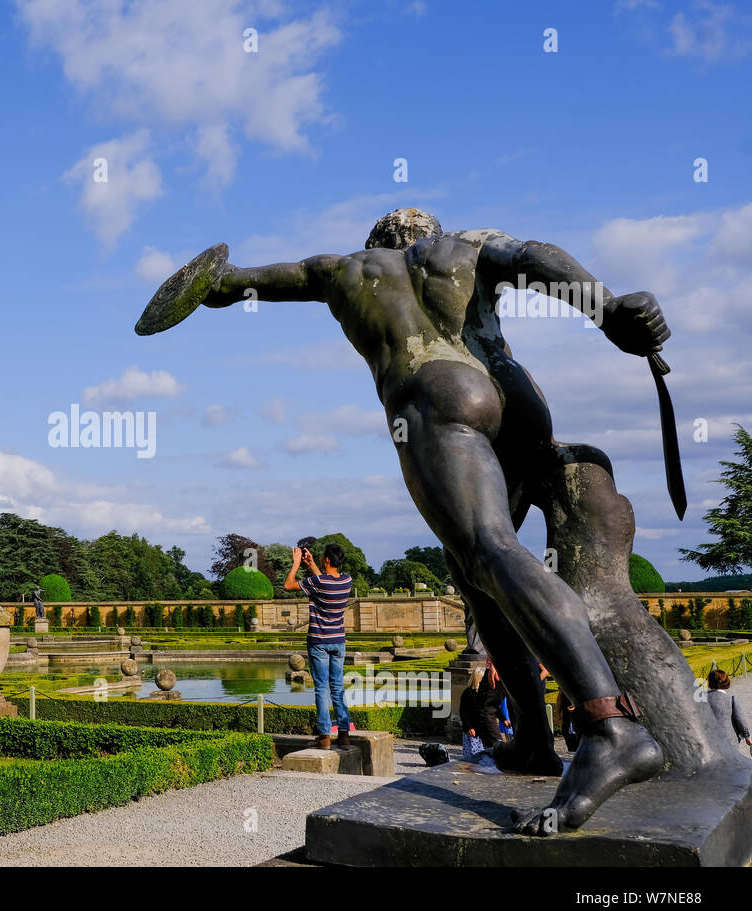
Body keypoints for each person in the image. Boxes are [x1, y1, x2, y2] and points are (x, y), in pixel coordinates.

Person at [139, 207, 670, 833]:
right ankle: (531, 736)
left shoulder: (343, 268)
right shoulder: (468, 248)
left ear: (379, 242)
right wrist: (608, 310)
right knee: (478, 577)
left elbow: (238, 284)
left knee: (491, 552)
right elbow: (536, 257)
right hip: (518, 400)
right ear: (428, 233)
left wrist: (213, 283)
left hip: (438, 396)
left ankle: (610, 726)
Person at [284, 542, 354, 749]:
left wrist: (296, 563)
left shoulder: (318, 582)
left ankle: (324, 736)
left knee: (322, 688)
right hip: (338, 641)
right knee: (338, 687)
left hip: (319, 642)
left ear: (326, 560)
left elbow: (288, 585)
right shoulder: (347, 580)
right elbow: (324, 581)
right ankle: (343, 734)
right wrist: (312, 563)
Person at [705, 670, 751, 748]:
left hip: (708, 742)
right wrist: (748, 737)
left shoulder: (701, 700)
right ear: (726, 681)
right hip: (729, 742)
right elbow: (741, 720)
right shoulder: (731, 700)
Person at [460, 666, 491, 758]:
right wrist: (469, 727)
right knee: (472, 756)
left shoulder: (486, 692)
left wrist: (504, 719)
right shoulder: (468, 693)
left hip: (484, 730)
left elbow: (492, 708)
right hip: (473, 730)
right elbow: (463, 712)